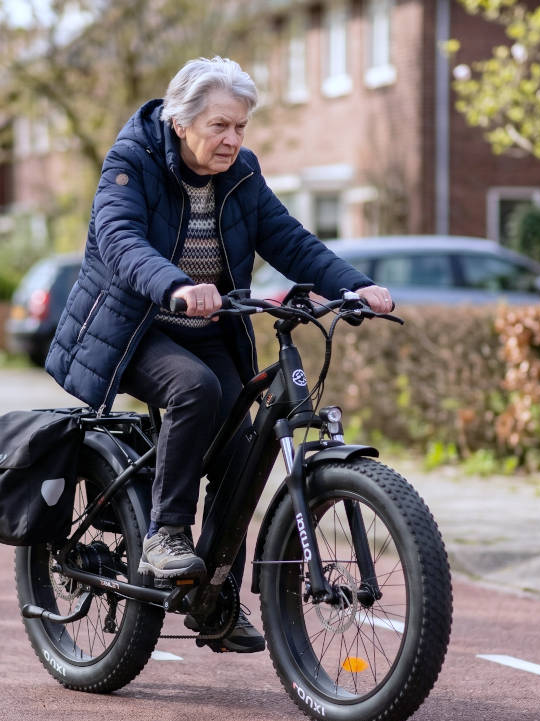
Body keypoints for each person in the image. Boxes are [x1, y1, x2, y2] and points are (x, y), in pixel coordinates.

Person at [46, 56, 393, 653]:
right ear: (181, 123)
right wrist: (175, 285)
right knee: (195, 391)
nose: (233, 140)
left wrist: (351, 285)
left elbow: (288, 239)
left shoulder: (242, 174)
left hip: (212, 326)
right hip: (137, 325)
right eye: (219, 127)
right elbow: (121, 240)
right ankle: (165, 534)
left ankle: (216, 590)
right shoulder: (132, 162)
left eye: (241, 128)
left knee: (243, 443)